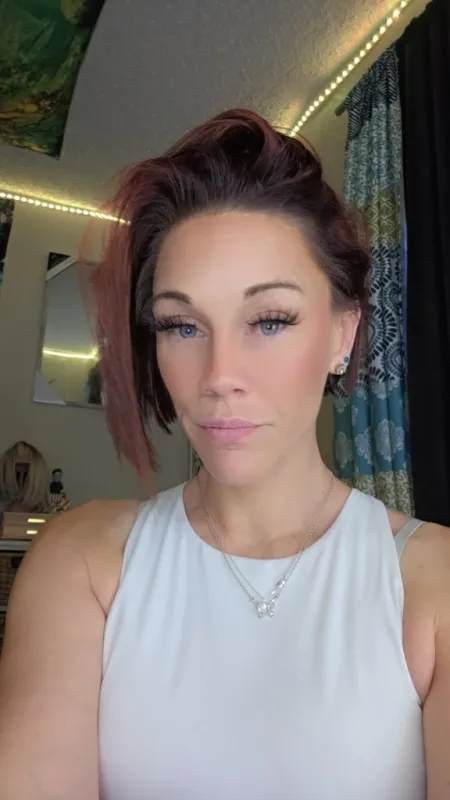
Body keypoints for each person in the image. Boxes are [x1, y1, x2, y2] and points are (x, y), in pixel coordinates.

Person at [0, 109, 448, 800]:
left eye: (269, 320)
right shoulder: (81, 563)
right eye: (182, 325)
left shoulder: (433, 583)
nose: (219, 375)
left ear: (342, 333)